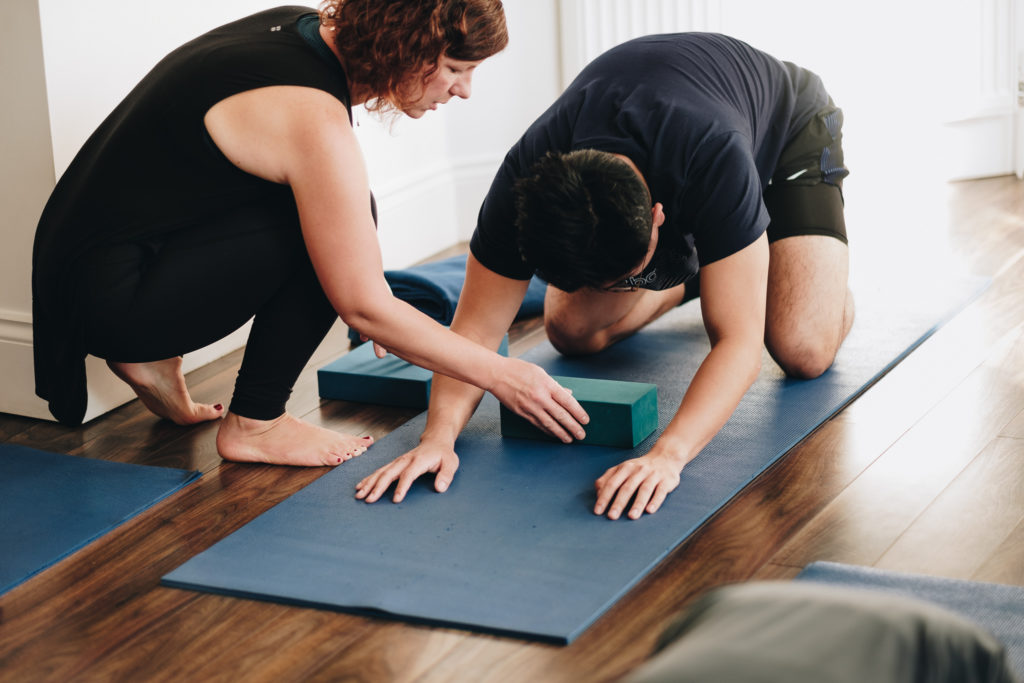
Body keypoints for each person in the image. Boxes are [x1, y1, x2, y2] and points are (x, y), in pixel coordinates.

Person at [31, 1, 588, 467]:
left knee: (337, 214)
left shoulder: (300, 32)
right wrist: (504, 375)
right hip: (107, 299)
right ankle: (257, 423)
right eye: (454, 67)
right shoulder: (310, 113)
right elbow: (363, 308)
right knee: (335, 223)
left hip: (89, 269)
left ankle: (149, 358)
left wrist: (381, 302)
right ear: (406, 45)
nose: (463, 90)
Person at [355, 32, 854, 518]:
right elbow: (476, 331)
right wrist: (437, 439)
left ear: (659, 216)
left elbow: (739, 345)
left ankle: (783, 266)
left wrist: (668, 456)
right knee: (571, 332)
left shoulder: (714, 154)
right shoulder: (524, 181)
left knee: (802, 348)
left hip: (787, 130)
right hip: (684, 164)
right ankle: (719, 267)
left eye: (627, 277)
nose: (615, 291)